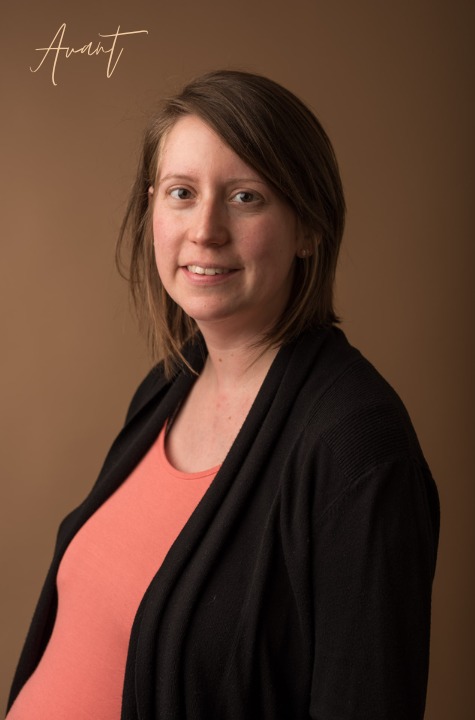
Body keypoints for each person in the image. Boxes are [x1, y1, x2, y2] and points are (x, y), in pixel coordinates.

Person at [6, 70, 439, 720]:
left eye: (245, 197)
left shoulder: (355, 442)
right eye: (181, 193)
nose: (205, 229)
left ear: (308, 229)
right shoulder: (167, 387)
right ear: (152, 207)